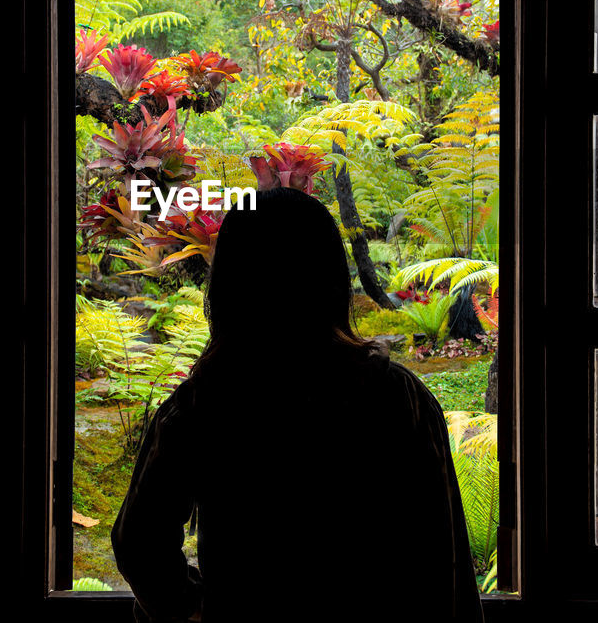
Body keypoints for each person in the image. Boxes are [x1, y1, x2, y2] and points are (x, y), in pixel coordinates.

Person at [112, 186, 485, 623]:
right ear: (331, 280)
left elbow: (138, 541)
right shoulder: (398, 398)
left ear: (229, 288)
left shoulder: (206, 403)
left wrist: (198, 609)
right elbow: (445, 561)